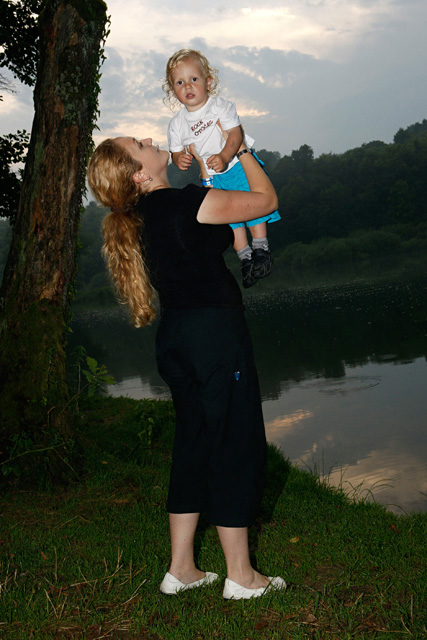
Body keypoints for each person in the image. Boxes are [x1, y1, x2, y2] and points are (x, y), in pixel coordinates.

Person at [87, 131, 286, 600]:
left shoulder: (136, 219)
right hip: (213, 336)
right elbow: (265, 200)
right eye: (139, 143)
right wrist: (240, 149)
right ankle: (241, 575)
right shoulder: (185, 204)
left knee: (194, 442)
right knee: (233, 441)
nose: (150, 138)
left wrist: (203, 172)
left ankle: (182, 569)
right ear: (139, 173)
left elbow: (201, 228)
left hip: (176, 340)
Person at [163, 48, 281, 289]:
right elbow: (176, 151)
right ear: (173, 91)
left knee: (252, 206)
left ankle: (261, 249)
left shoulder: (220, 106)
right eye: (179, 82)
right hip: (214, 177)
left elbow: (235, 134)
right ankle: (245, 259)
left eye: (194, 79)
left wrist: (225, 155)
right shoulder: (177, 124)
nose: (188, 86)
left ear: (208, 82)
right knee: (232, 222)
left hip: (236, 166)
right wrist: (179, 160)